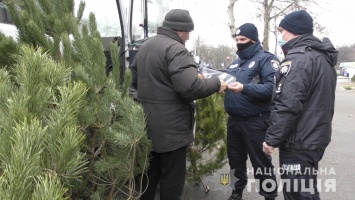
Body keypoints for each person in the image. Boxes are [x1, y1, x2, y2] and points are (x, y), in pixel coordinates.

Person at [130, 9, 227, 200]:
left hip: (145, 125)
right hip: (171, 132)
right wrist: (216, 84)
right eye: (188, 33)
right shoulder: (176, 49)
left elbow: (133, 84)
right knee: (172, 182)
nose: (188, 38)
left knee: (148, 178)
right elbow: (189, 87)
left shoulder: (145, 47)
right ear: (180, 30)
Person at [263, 10, 338, 200]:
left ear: (294, 31)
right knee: (306, 190)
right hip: (313, 137)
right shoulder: (322, 58)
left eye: (282, 31)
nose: (281, 36)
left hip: (299, 141)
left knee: (298, 193)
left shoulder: (299, 59)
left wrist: (272, 139)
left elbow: (288, 104)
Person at [224, 23, 279, 200]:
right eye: (237, 39)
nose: (239, 43)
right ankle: (235, 192)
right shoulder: (235, 63)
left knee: (261, 163)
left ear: (253, 40)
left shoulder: (266, 60)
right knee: (234, 162)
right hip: (234, 122)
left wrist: (244, 88)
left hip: (256, 122)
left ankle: (269, 195)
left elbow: (272, 89)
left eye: (243, 39)